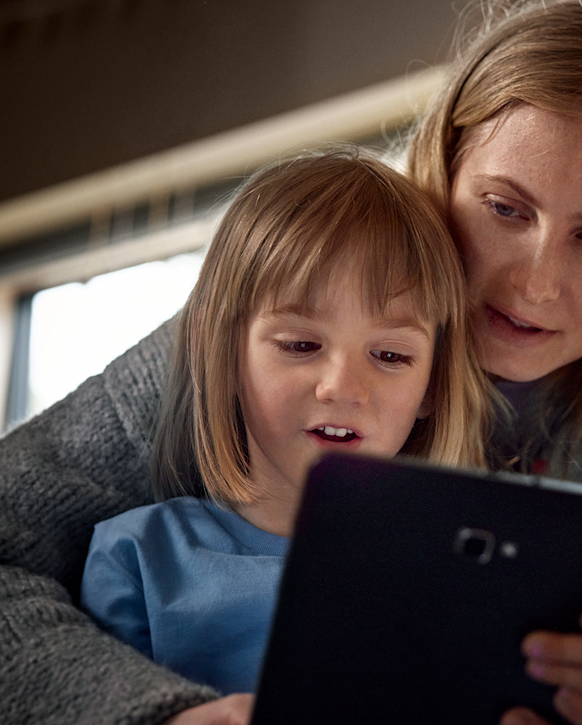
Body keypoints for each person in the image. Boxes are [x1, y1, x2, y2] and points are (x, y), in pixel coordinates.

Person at [0, 1, 582, 724]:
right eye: (505, 208)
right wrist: (155, 713)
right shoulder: (275, 327)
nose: (536, 284)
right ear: (445, 165)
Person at [78, 148, 489, 699]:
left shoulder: (460, 578)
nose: (343, 387)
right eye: (300, 345)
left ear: (433, 386)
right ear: (217, 349)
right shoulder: (137, 557)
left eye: (391, 356)